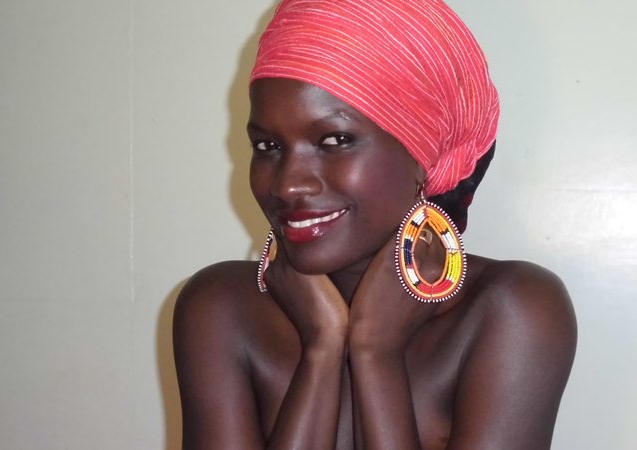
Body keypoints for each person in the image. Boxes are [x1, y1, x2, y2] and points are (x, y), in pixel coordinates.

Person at [173, 0, 577, 448]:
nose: (287, 185)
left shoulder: (509, 311)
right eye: (268, 146)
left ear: (421, 155)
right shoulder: (223, 308)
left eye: (335, 140)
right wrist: (322, 347)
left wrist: (376, 352)